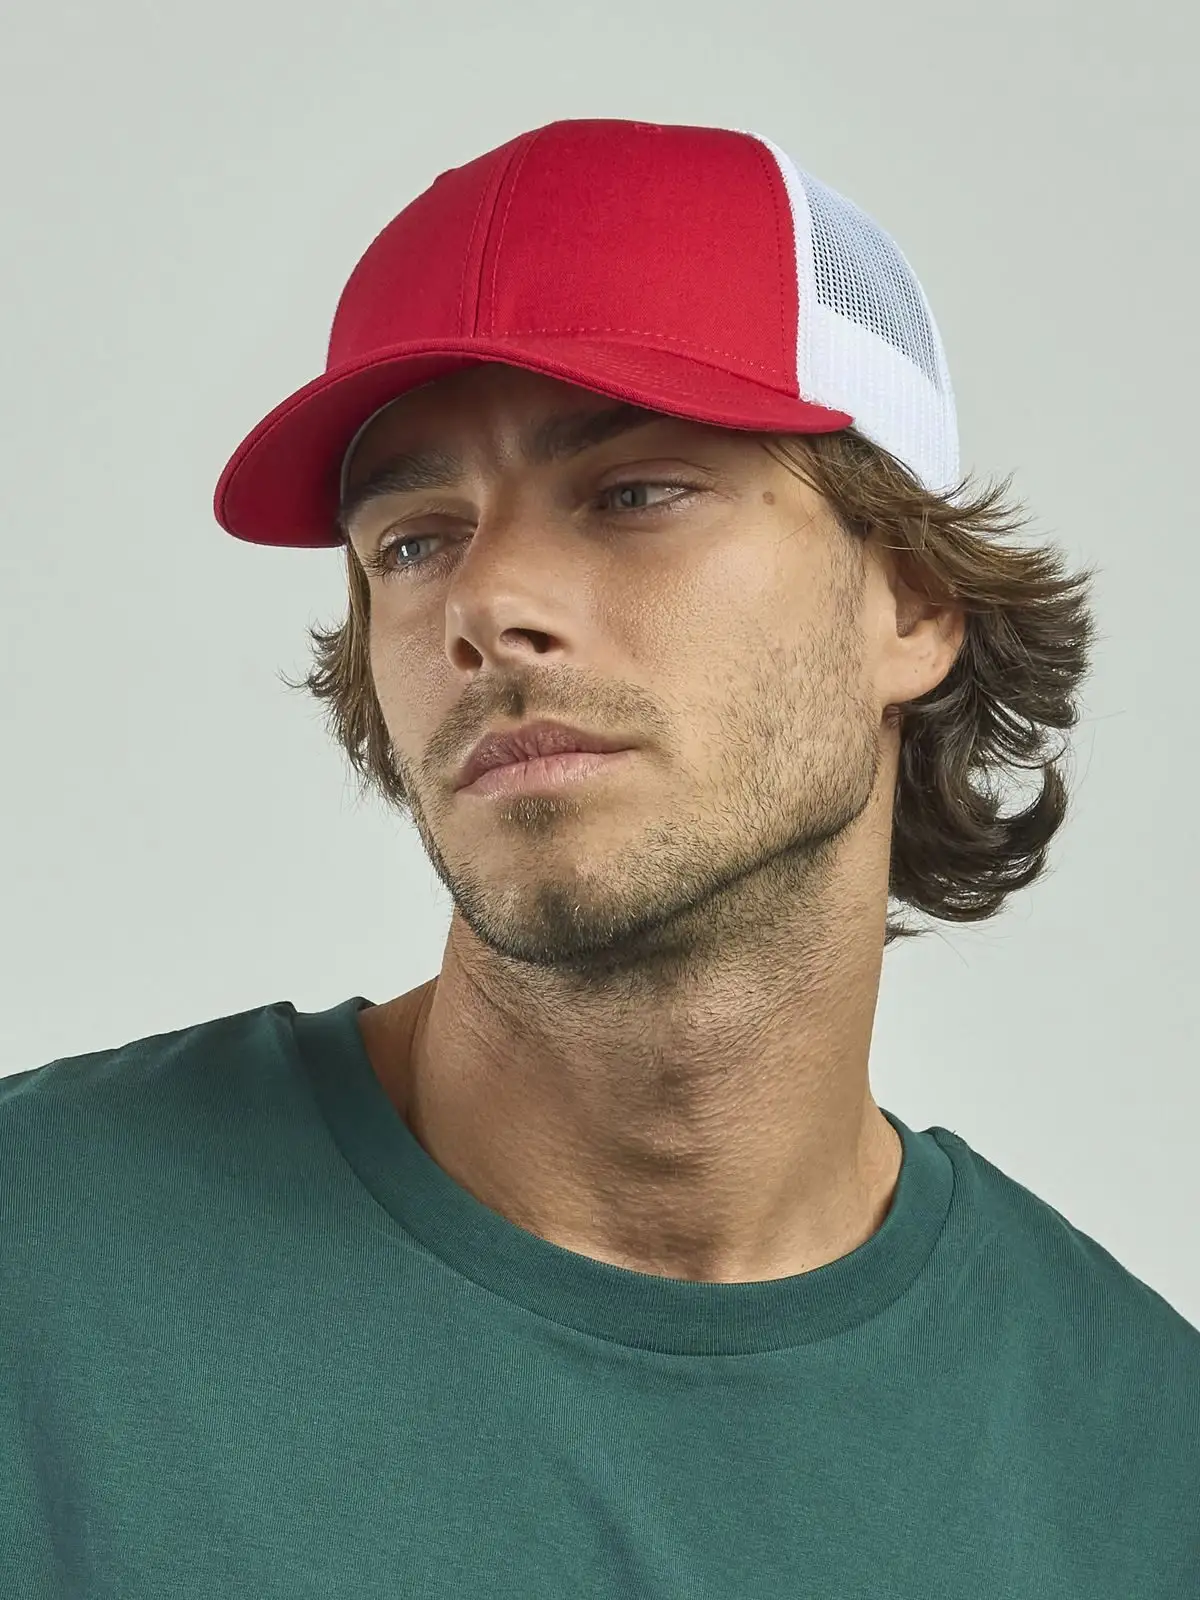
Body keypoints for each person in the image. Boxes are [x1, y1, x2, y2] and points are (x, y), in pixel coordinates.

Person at [3, 118, 1197, 1598]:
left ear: (910, 605)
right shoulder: (36, 1273)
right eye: (413, 541)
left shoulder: (1140, 1468)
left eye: (635, 494)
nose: (486, 603)